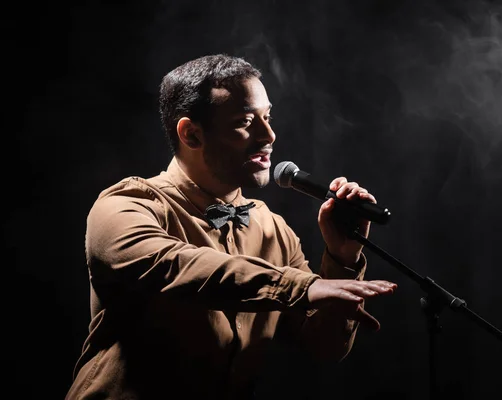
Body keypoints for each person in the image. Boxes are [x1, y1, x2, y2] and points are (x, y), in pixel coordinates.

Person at [65, 54, 397, 400]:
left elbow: (322, 346)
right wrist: (302, 285)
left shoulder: (272, 228)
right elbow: (176, 266)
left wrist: (341, 257)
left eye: (267, 117)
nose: (268, 135)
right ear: (191, 133)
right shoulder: (125, 206)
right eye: (245, 121)